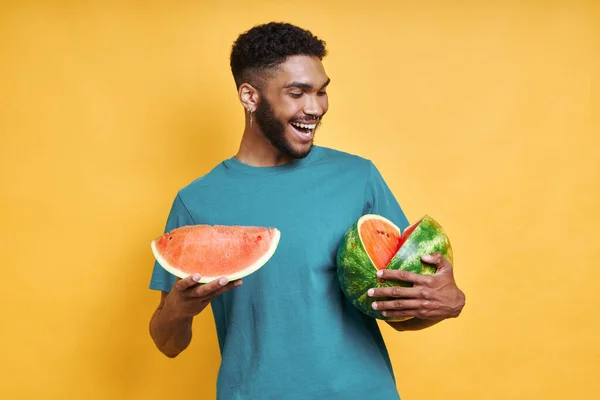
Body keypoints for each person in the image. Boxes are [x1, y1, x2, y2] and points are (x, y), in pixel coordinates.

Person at [148, 22, 465, 400]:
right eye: (297, 93)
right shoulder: (196, 201)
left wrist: (447, 302)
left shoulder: (357, 176)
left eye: (321, 92)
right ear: (249, 96)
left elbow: (397, 312)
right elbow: (168, 342)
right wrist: (179, 310)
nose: (314, 108)